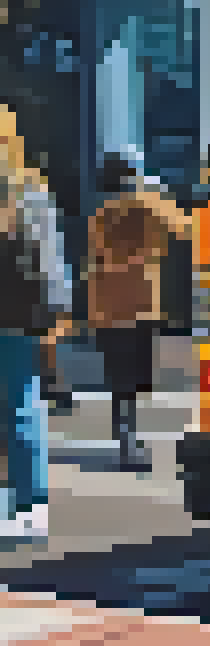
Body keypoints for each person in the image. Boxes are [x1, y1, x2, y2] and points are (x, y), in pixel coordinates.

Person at [82, 152, 193, 473]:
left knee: (120, 377)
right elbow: (185, 229)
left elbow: (95, 257)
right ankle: (130, 443)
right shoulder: (147, 202)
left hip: (106, 305)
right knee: (136, 374)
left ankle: (126, 439)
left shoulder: (100, 211)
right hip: (140, 303)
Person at [0, 106, 67, 540]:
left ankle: (29, 503)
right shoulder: (30, 191)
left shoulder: (26, 193)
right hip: (19, 312)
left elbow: (48, 264)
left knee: (22, 406)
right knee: (20, 406)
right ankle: (21, 500)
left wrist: (54, 317)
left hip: (16, 314)